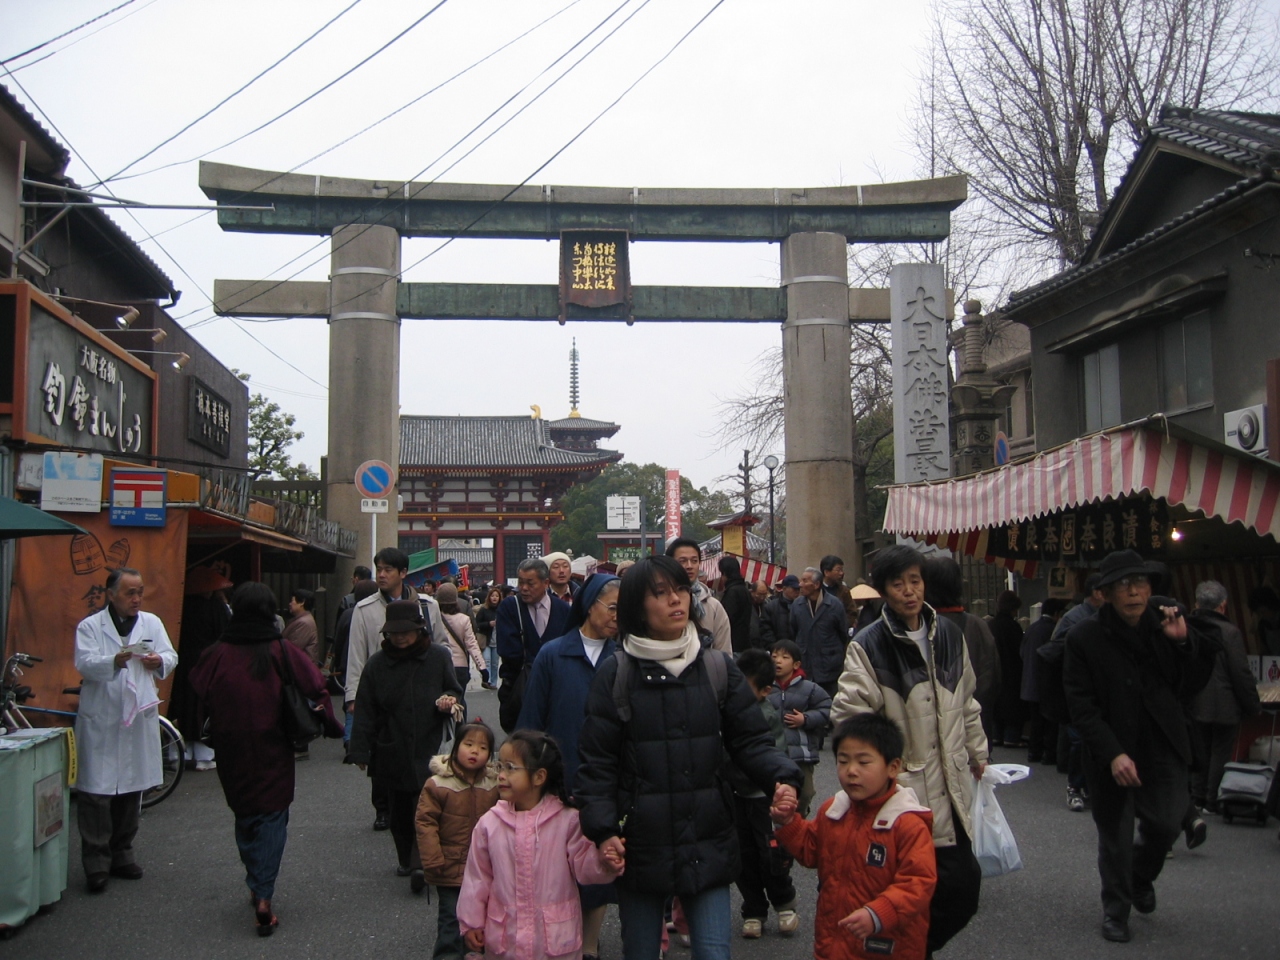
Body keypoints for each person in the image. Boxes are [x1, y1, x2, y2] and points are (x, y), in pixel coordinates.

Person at [575, 556, 802, 960]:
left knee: (715, 953)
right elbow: (597, 763)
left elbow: (750, 741)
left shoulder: (716, 667)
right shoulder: (617, 674)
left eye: (680, 590)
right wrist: (603, 829)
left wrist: (782, 778)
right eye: (660, 594)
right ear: (636, 607)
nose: (676, 600)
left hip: (707, 834)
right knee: (642, 952)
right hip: (641, 842)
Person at [831, 544, 987, 956]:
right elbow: (849, 716)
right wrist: (872, 769)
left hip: (951, 785)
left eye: (914, 581)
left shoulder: (951, 636)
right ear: (883, 590)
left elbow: (967, 700)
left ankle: (912, 949)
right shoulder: (869, 645)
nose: (909, 591)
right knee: (913, 888)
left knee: (961, 887)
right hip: (903, 794)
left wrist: (978, 751)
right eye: (897, 584)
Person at [1062, 549, 1217, 944]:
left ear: (1151, 588)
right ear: (1107, 593)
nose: (1133, 592)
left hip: (1162, 743)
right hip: (1110, 748)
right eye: (1123, 586)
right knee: (1115, 834)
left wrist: (1183, 644)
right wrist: (1112, 753)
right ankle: (1116, 910)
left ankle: (1140, 876)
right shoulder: (1084, 637)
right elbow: (1081, 705)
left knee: (1166, 824)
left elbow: (1191, 685)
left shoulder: (1167, 623)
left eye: (1140, 583)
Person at [189, 582, 342, 936]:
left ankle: (255, 880)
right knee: (272, 814)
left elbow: (197, 687)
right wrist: (332, 726)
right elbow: (315, 687)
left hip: (230, 746)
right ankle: (263, 891)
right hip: (273, 744)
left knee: (244, 813)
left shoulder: (217, 652)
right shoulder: (281, 650)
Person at [770, 713, 937, 960]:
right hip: (833, 941)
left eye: (863, 762)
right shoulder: (834, 810)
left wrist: (879, 913)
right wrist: (788, 821)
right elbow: (811, 850)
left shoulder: (907, 823)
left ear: (893, 767)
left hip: (887, 946)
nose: (851, 771)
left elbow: (918, 882)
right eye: (843, 761)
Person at [516, 572, 622, 960]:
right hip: (560, 777)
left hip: (607, 777)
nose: (617, 616)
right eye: (612, 607)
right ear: (589, 605)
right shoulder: (553, 654)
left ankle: (589, 945)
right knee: (556, 866)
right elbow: (531, 721)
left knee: (598, 861)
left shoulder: (624, 657)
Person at [458, 731, 622, 960]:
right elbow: (477, 877)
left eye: (511, 768)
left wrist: (604, 862)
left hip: (555, 942)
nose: (501, 775)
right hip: (507, 941)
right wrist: (471, 921)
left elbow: (584, 867)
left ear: (539, 777)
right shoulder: (490, 823)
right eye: (500, 767)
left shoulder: (567, 820)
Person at [73, 567, 179, 894]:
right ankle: (96, 862)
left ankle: (122, 852)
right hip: (102, 715)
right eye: (130, 593)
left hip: (135, 716)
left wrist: (157, 661)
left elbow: (170, 656)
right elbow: (84, 662)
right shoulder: (90, 626)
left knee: (131, 789)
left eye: (140, 592)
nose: (136, 599)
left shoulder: (151, 622)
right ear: (111, 594)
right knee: (96, 793)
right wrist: (114, 661)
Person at [347, 600, 463, 890]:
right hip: (391, 743)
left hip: (430, 740)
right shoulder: (376, 664)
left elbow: (454, 689)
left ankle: (420, 862)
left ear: (419, 629)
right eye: (394, 633)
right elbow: (365, 709)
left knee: (424, 807)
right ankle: (405, 856)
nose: (400, 637)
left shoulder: (437, 657)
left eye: (406, 632)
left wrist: (449, 700)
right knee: (399, 810)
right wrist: (360, 749)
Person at [346, 547, 449, 829]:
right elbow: (356, 654)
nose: (381, 574)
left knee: (421, 749)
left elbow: (441, 645)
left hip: (421, 688)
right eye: (379, 568)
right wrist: (353, 695)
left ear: (403, 573)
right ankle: (383, 807)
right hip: (380, 689)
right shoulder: (364, 609)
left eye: (388, 569)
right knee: (383, 750)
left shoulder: (428, 605)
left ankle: (422, 803)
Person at [415, 721, 501, 960]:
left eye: (483, 748)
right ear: (455, 748)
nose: (474, 751)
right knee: (451, 922)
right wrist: (432, 857)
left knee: (481, 922)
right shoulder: (438, 783)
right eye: (468, 744)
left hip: (485, 868)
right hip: (449, 867)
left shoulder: (494, 784)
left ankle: (473, 954)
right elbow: (426, 822)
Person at [732, 649, 799, 939]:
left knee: (770, 853)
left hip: (762, 796)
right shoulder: (727, 710)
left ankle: (784, 902)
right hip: (735, 794)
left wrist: (779, 786)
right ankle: (754, 908)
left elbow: (774, 754)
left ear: (765, 691)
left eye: (744, 688)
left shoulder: (767, 716)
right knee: (741, 855)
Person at [1187, 580, 1261, 812]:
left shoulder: (1186, 627)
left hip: (1193, 701)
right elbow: (1240, 672)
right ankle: (1212, 799)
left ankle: (1196, 797)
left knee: (1200, 748)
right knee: (1220, 750)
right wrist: (1253, 705)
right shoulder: (1229, 632)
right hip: (1224, 702)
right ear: (1223, 606)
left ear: (1197, 603)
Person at [924, 558, 1001, 748]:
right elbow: (991, 679)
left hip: (926, 734)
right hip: (972, 729)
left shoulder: (918, 627)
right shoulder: (977, 626)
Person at [495, 557, 573, 732]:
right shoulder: (510, 607)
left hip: (556, 691)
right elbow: (508, 650)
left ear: (546, 583)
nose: (524, 588)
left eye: (530, 583)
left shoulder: (563, 610)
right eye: (521, 582)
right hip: (519, 688)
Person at [170, 565, 233, 771]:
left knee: (184, 704)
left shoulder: (181, 607)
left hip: (184, 662)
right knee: (205, 706)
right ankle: (205, 754)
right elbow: (225, 634)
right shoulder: (217, 608)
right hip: (209, 663)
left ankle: (180, 752)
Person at [768, 639, 832, 818]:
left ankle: (799, 816)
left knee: (805, 793)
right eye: (774, 656)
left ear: (796, 664)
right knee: (775, 793)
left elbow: (827, 709)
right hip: (772, 752)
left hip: (801, 753)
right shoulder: (764, 687)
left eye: (784, 657)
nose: (777, 661)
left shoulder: (809, 688)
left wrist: (806, 719)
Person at [790, 567, 850, 698]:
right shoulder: (797, 605)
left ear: (817, 584)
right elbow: (793, 631)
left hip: (829, 666)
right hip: (806, 664)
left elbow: (843, 633)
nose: (800, 584)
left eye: (805, 581)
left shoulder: (834, 604)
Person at [665, 537, 732, 652]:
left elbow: (723, 653)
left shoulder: (713, 606)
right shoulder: (660, 602)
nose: (689, 566)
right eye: (682, 561)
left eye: (694, 561)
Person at [332, 579, 379, 740]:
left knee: (353, 697)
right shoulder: (376, 612)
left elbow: (337, 640)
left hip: (348, 661)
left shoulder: (347, 614)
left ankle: (350, 736)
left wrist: (337, 660)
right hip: (372, 661)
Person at [436, 582, 488, 702]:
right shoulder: (464, 619)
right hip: (460, 666)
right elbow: (472, 644)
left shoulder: (435, 618)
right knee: (459, 700)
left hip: (440, 665)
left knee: (442, 700)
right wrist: (482, 667)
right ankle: (461, 720)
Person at [986, 590, 1025, 749]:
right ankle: (1012, 737)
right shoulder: (1013, 626)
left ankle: (996, 735)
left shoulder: (990, 625)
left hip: (993, 671)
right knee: (1013, 707)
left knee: (996, 705)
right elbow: (1019, 650)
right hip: (1012, 670)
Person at [718, 555, 755, 652]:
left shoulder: (732, 592)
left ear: (725, 573)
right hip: (744, 643)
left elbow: (727, 619)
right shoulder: (744, 589)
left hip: (733, 645)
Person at [474, 585, 503, 689]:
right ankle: (488, 681)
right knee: (487, 661)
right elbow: (477, 624)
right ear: (489, 597)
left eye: (497, 596)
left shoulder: (502, 609)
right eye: (492, 596)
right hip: (486, 639)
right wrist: (488, 624)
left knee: (495, 663)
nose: (494, 598)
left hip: (497, 640)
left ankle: (494, 682)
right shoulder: (483, 610)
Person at [282, 588, 320, 666]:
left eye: (292, 601)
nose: (290, 604)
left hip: (302, 669)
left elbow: (292, 649)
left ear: (302, 602)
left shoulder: (304, 623)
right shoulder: (302, 620)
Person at [761, 575, 800, 647]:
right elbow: (766, 630)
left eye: (798, 589)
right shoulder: (770, 607)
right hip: (777, 650)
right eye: (794, 589)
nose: (797, 591)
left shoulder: (801, 606)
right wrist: (774, 647)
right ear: (784, 588)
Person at [820, 554, 860, 623]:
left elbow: (852, 612)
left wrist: (842, 625)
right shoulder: (816, 589)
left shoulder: (844, 591)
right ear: (826, 572)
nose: (841, 573)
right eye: (838, 570)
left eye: (842, 570)